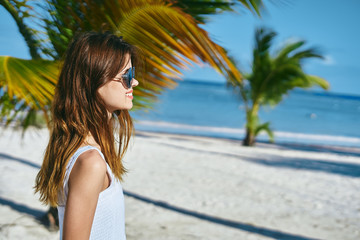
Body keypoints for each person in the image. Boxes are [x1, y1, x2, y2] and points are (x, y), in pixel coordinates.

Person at [35, 31, 139, 239]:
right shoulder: (90, 162)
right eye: (127, 76)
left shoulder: (84, 152)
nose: (134, 82)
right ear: (95, 80)